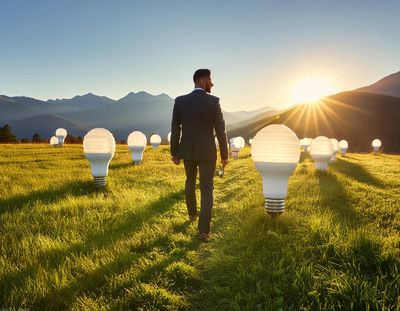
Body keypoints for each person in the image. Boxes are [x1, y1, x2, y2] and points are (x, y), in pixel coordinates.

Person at [170, 69, 228, 242]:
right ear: (202, 81)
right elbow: (220, 131)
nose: (212, 83)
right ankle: (204, 230)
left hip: (187, 150)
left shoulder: (180, 101)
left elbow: (175, 129)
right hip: (207, 152)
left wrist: (175, 152)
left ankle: (192, 214)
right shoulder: (213, 102)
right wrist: (225, 155)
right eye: (210, 80)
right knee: (206, 187)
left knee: (190, 180)